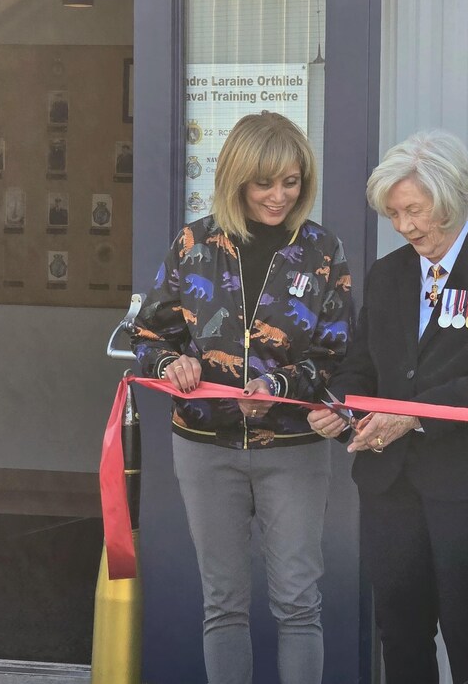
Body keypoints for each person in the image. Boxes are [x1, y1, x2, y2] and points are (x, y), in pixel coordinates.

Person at [306, 130, 468, 684]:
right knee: (401, 631)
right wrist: (337, 410)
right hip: (389, 484)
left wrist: (411, 414)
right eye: (394, 214)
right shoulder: (388, 274)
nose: (407, 226)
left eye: (415, 210)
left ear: (453, 196)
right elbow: (362, 367)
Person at [130, 111, 353, 684]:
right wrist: (169, 362)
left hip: (295, 448)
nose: (279, 196)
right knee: (223, 603)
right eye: (264, 182)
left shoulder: (323, 250)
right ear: (236, 179)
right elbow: (149, 334)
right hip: (205, 446)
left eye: (292, 181)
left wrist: (277, 388)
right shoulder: (193, 243)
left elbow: (335, 355)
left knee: (299, 603)